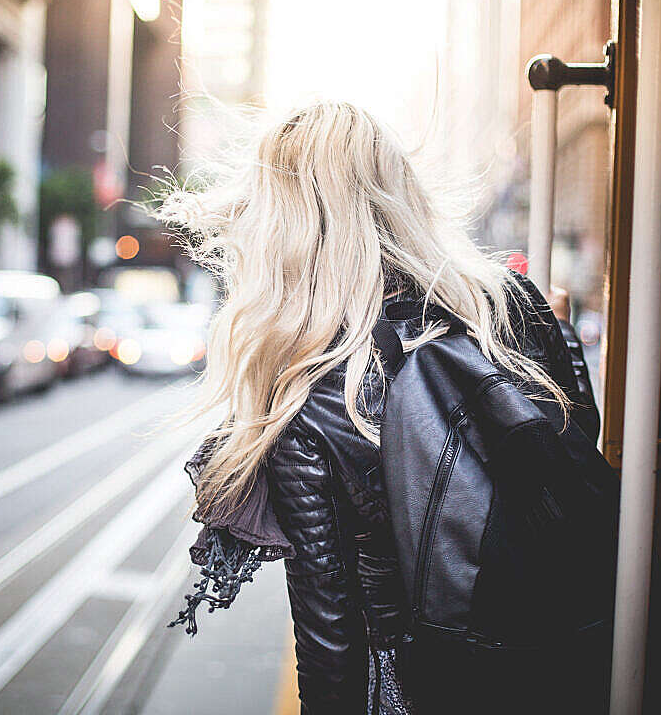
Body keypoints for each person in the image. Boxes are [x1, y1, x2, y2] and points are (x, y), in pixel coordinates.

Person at [159, 101, 600, 714]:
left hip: (418, 685)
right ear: (398, 194)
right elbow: (576, 447)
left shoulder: (305, 396)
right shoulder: (510, 304)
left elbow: (329, 639)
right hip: (563, 656)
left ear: (281, 221)